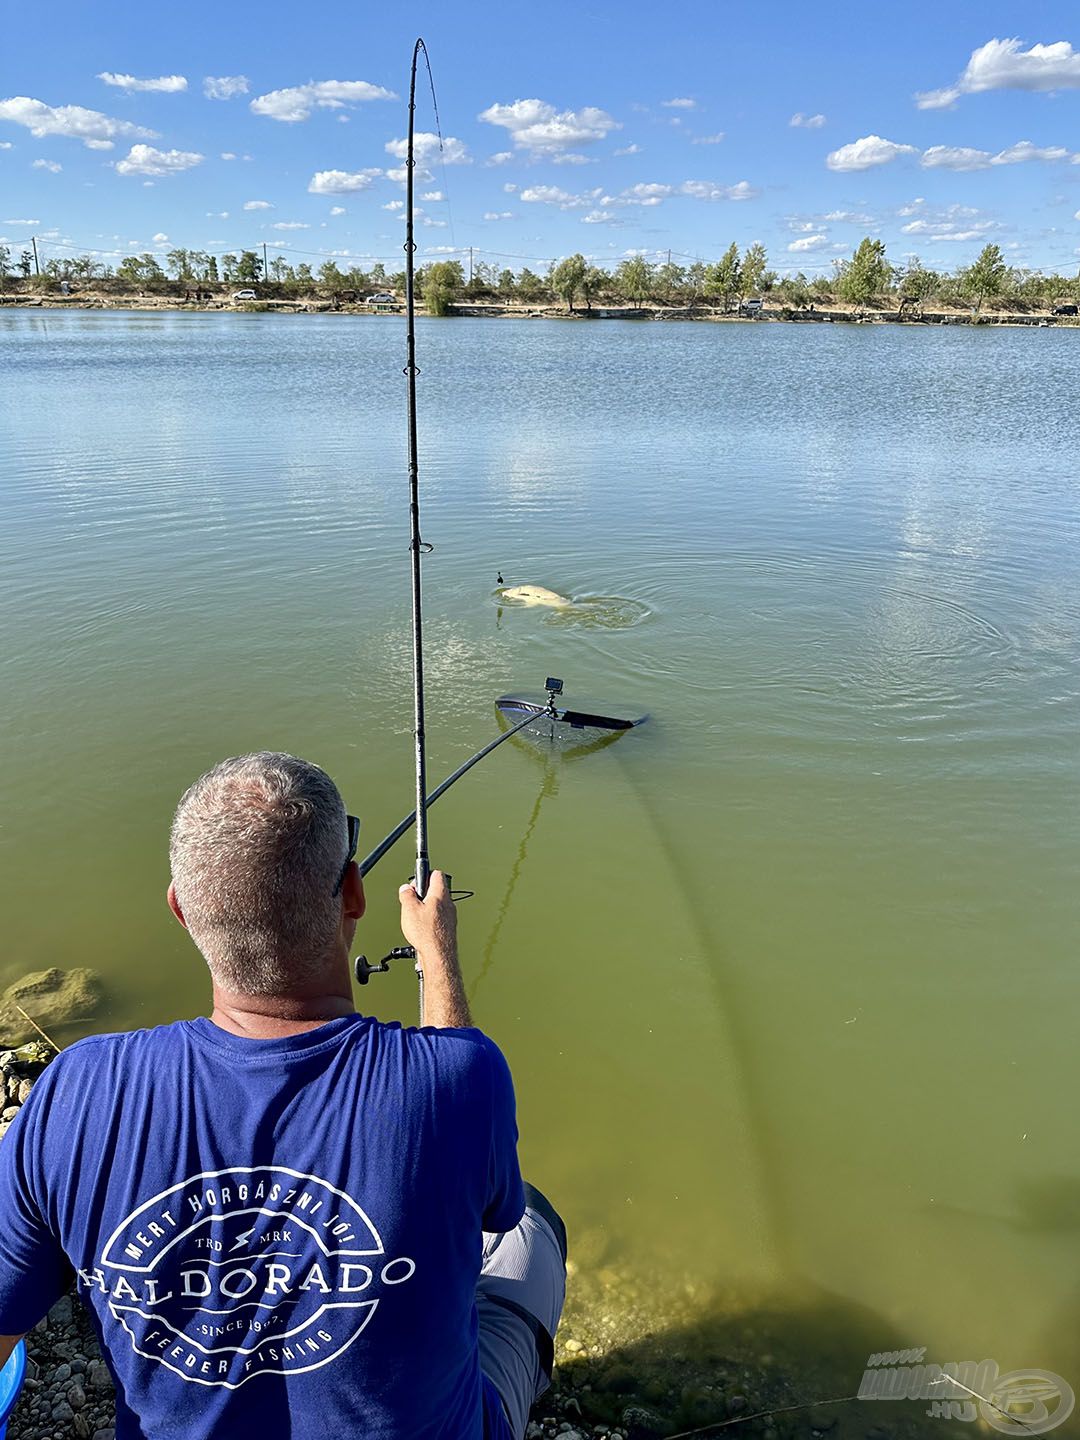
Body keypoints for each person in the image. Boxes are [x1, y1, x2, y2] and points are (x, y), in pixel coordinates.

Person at [0, 753, 566, 1438]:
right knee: (529, 1226)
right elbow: (486, 1194)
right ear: (353, 895)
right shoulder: (456, 1080)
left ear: (180, 910)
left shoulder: (75, 1090)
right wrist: (436, 952)